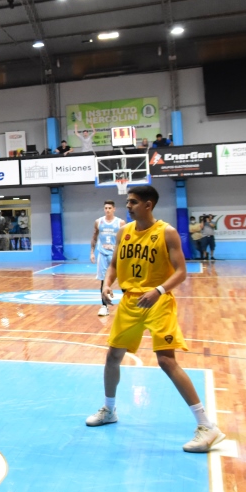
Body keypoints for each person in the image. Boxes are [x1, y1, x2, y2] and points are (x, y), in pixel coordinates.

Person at [86, 185, 225, 453]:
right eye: (127, 202)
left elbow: (181, 272)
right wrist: (107, 283)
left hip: (158, 302)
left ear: (148, 205)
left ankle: (207, 426)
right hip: (129, 302)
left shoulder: (166, 232)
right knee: (112, 357)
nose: (128, 206)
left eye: (133, 202)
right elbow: (114, 263)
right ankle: (109, 410)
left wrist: (159, 290)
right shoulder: (124, 231)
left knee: (166, 360)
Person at [90, 200, 125, 317]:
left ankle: (127, 305)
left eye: (110, 208)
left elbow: (126, 239)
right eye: (106, 208)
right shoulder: (98, 222)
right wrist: (92, 252)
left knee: (123, 280)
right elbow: (94, 237)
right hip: (103, 255)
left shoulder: (120, 223)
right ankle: (104, 306)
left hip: (116, 255)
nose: (107, 210)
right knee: (103, 281)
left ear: (114, 209)